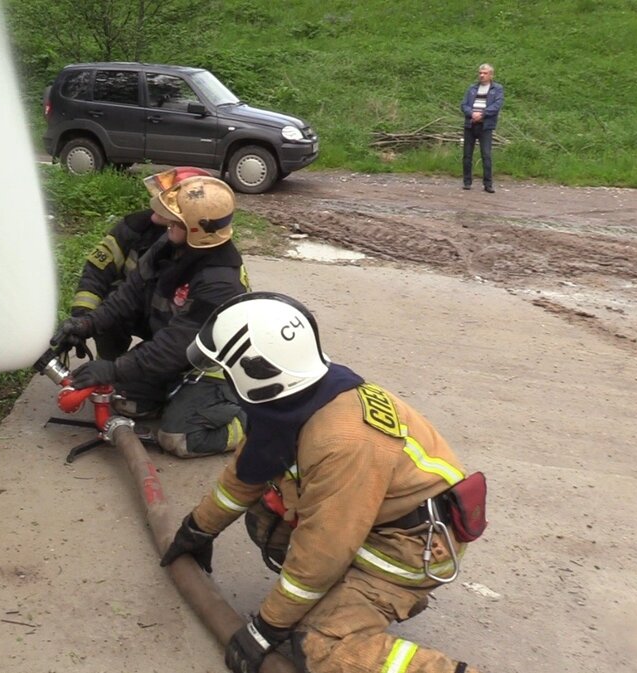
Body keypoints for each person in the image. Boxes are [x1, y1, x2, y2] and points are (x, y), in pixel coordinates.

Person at [160, 292, 487, 673]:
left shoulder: (343, 439)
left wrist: (267, 627)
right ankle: (332, 599)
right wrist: (198, 529)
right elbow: (245, 476)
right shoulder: (294, 398)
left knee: (320, 648)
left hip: (407, 547)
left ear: (256, 370)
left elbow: (323, 550)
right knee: (266, 518)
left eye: (226, 370)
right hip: (374, 521)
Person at [49, 175, 249, 458]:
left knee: (178, 438)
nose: (167, 222)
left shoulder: (219, 281)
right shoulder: (172, 247)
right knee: (126, 402)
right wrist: (87, 323)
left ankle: (246, 421)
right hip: (182, 356)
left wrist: (114, 369)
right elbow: (128, 294)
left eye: (175, 219)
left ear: (194, 229)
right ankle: (173, 396)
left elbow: (173, 347)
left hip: (215, 369)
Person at [70, 166, 212, 359]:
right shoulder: (135, 227)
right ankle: (108, 361)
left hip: (173, 327)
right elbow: (97, 273)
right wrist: (82, 321)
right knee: (108, 306)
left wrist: (129, 369)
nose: (156, 203)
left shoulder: (209, 257)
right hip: (133, 310)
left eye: (166, 201)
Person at [461, 63, 504, 193]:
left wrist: (483, 114)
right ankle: (467, 182)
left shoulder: (497, 89)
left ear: (491, 75)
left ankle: (488, 184)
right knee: (467, 155)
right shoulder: (472, 88)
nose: (482, 75)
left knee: (486, 154)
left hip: (485, 126)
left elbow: (497, 105)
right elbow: (464, 104)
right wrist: (471, 114)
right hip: (470, 124)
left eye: (485, 73)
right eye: (480, 73)